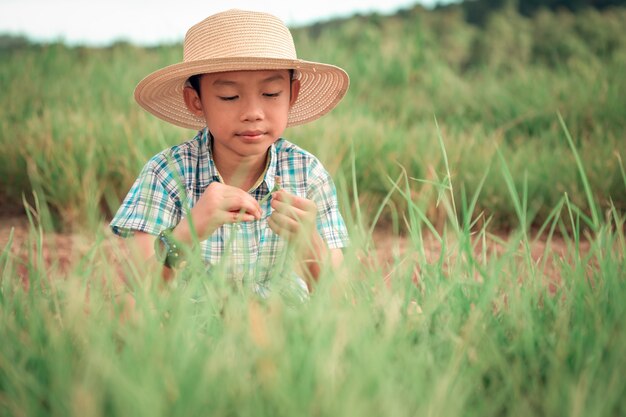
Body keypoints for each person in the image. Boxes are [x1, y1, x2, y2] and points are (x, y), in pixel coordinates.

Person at [109, 9, 350, 294]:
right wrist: (187, 233)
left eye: (271, 93)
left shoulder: (306, 174)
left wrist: (310, 243)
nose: (253, 113)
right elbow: (138, 297)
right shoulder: (166, 175)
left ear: (292, 95)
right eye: (229, 96)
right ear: (196, 101)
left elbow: (339, 298)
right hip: (193, 331)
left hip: (281, 327)